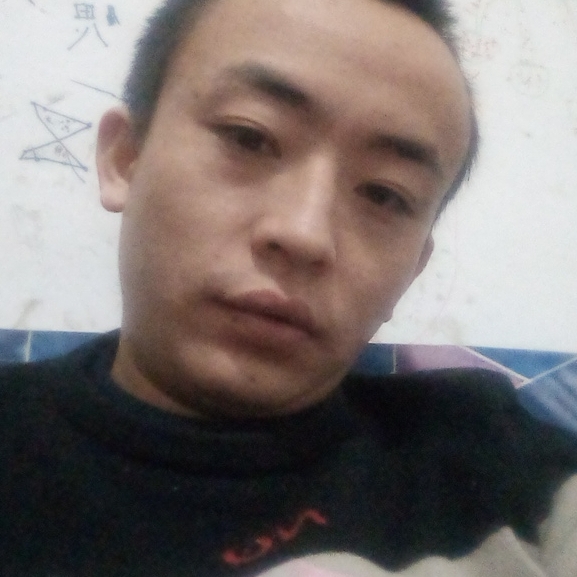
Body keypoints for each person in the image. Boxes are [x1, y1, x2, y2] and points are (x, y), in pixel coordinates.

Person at [1, 0, 576, 575]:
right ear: (125, 158)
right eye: (249, 138)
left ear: (413, 268)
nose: (304, 234)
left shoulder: (489, 459)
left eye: (385, 194)